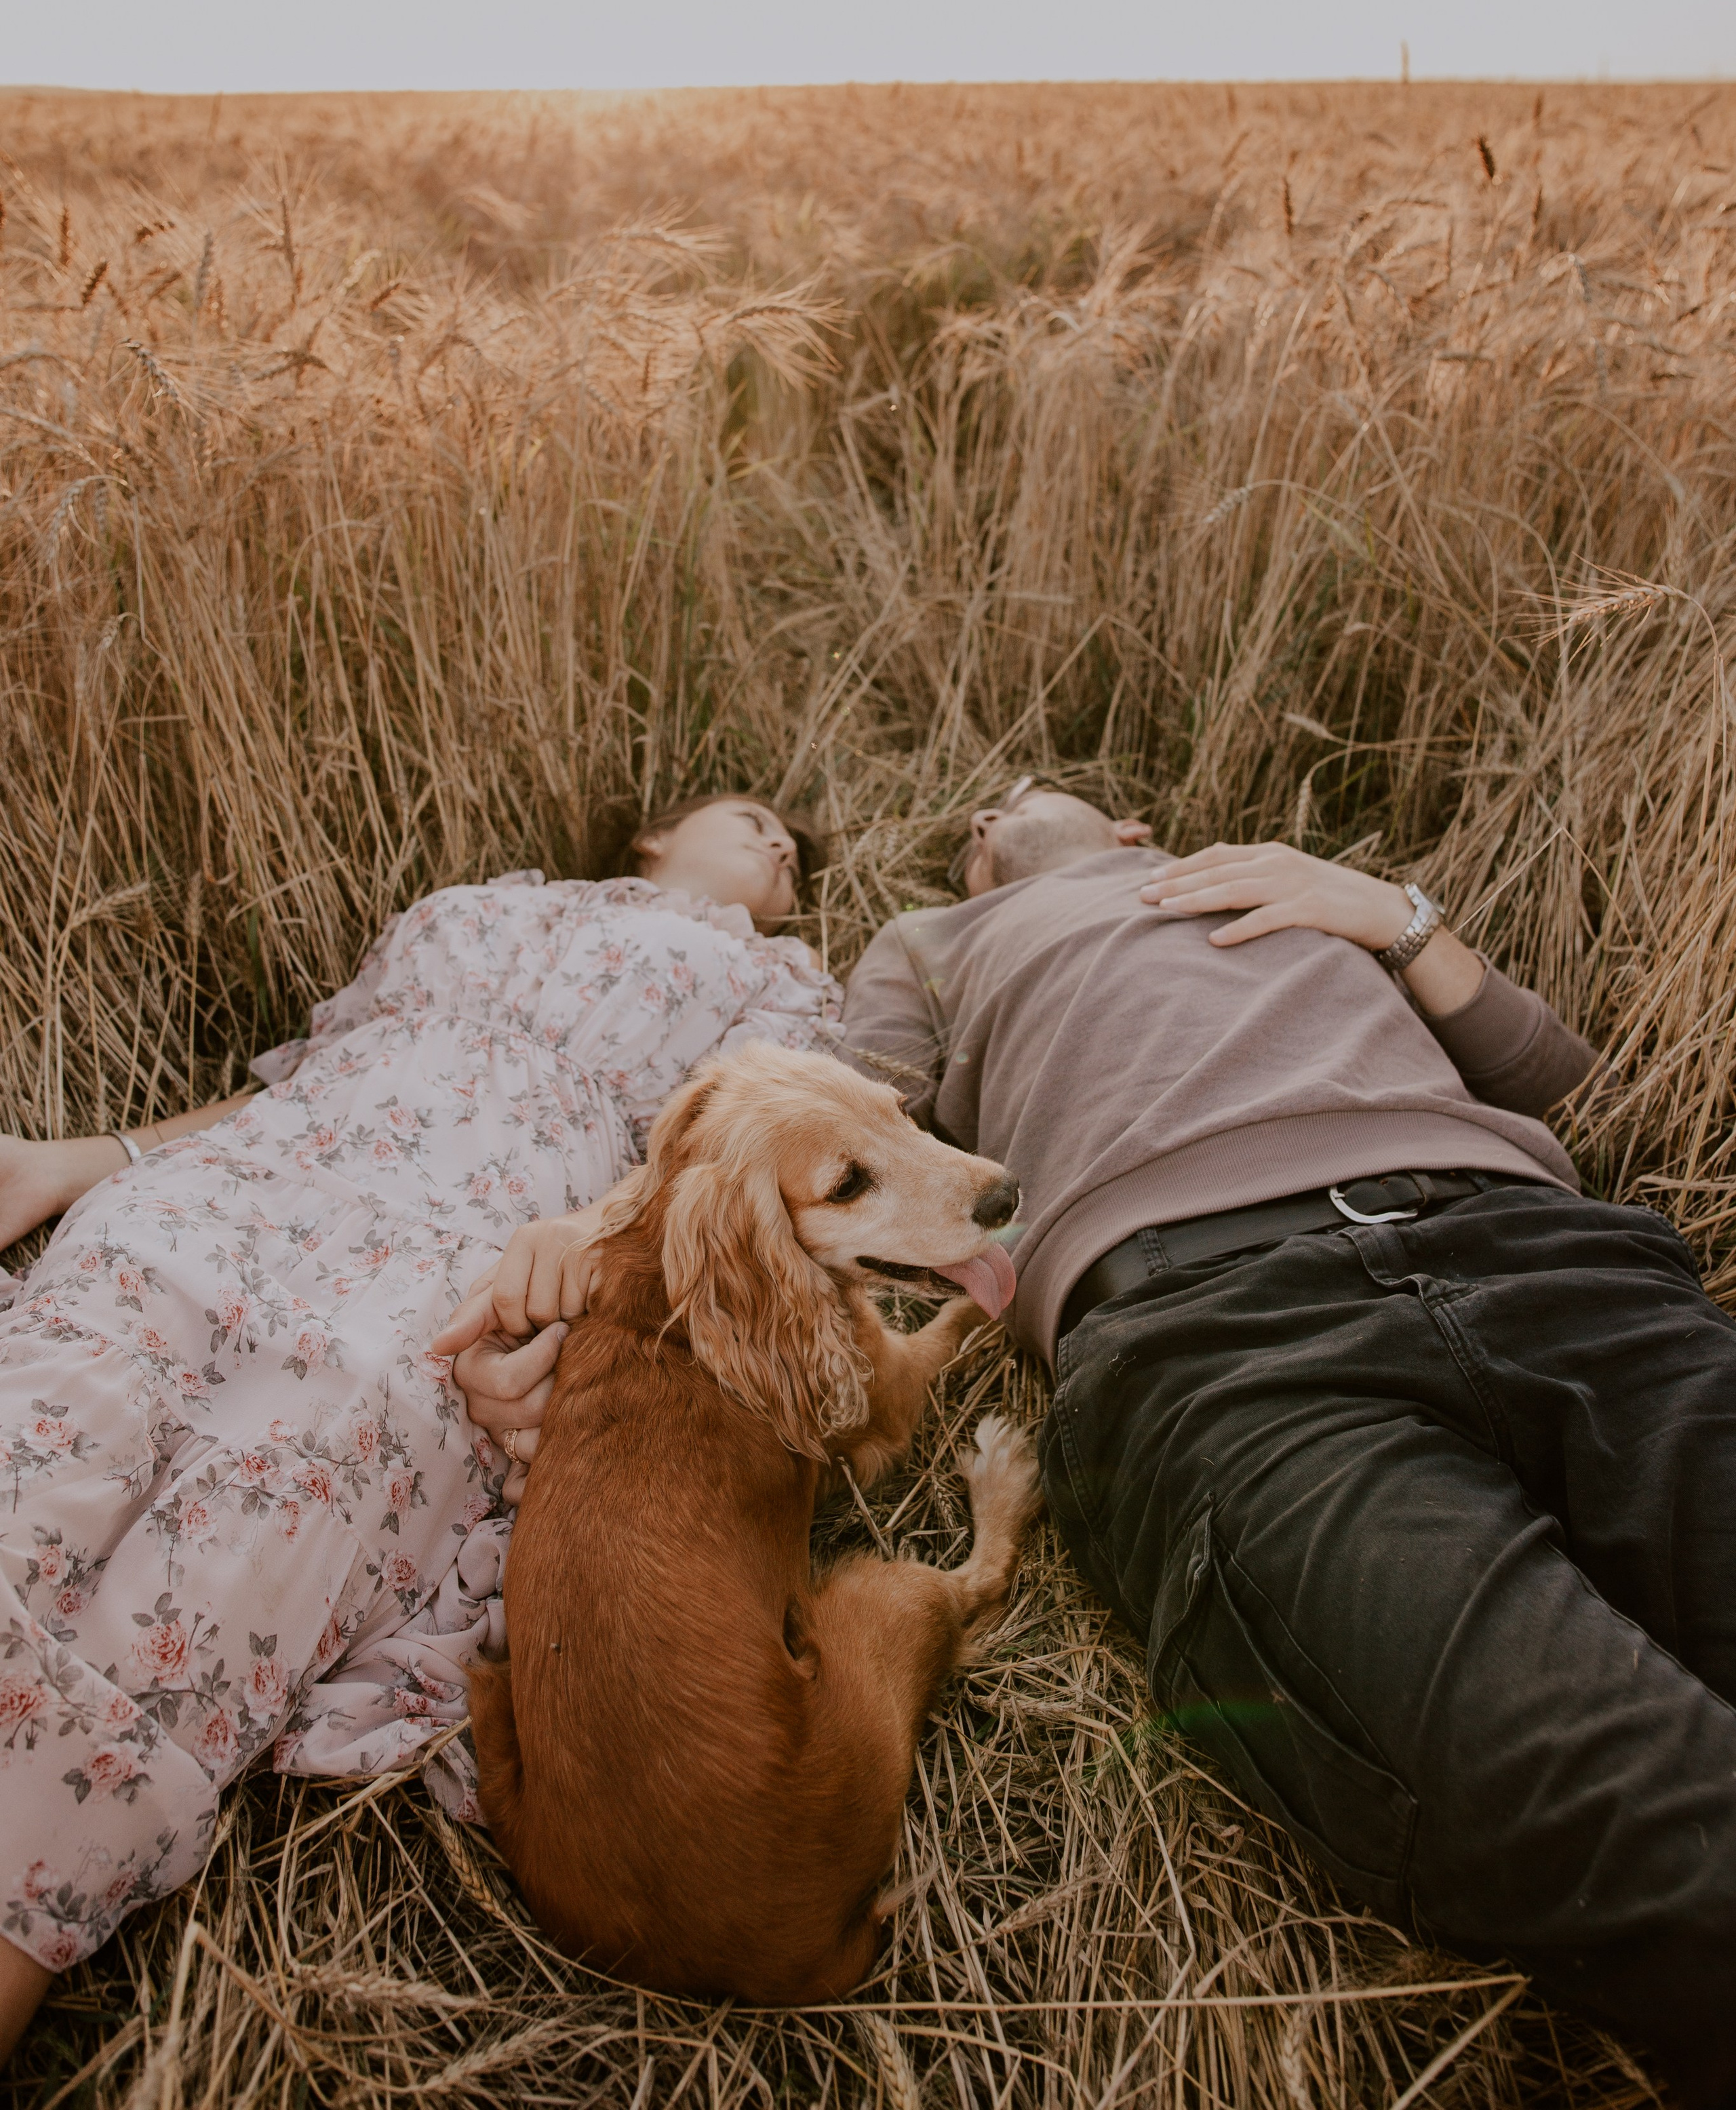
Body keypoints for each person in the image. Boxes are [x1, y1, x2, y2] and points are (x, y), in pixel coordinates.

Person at [840, 782, 1736, 2107]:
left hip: (1550, 1257)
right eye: (972, 819)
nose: (990, 806)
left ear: (1131, 827)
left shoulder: (1268, 874)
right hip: (1215, 1335)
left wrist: (1394, 920)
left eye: (1025, 788)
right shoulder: (929, 940)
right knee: (1651, 1810)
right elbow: (838, 1133)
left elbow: (1579, 1089)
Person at [0, 794, 836, 2059]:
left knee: (239, 1547)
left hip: (472, 1252)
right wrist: (79, 1163)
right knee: (47, 1433)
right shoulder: (467, 909)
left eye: (798, 856)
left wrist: (592, 1255)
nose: (782, 847)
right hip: (243, 1186)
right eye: (755, 817)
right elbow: (292, 1083)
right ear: (653, 835)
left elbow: (746, 1183)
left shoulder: (780, 984)